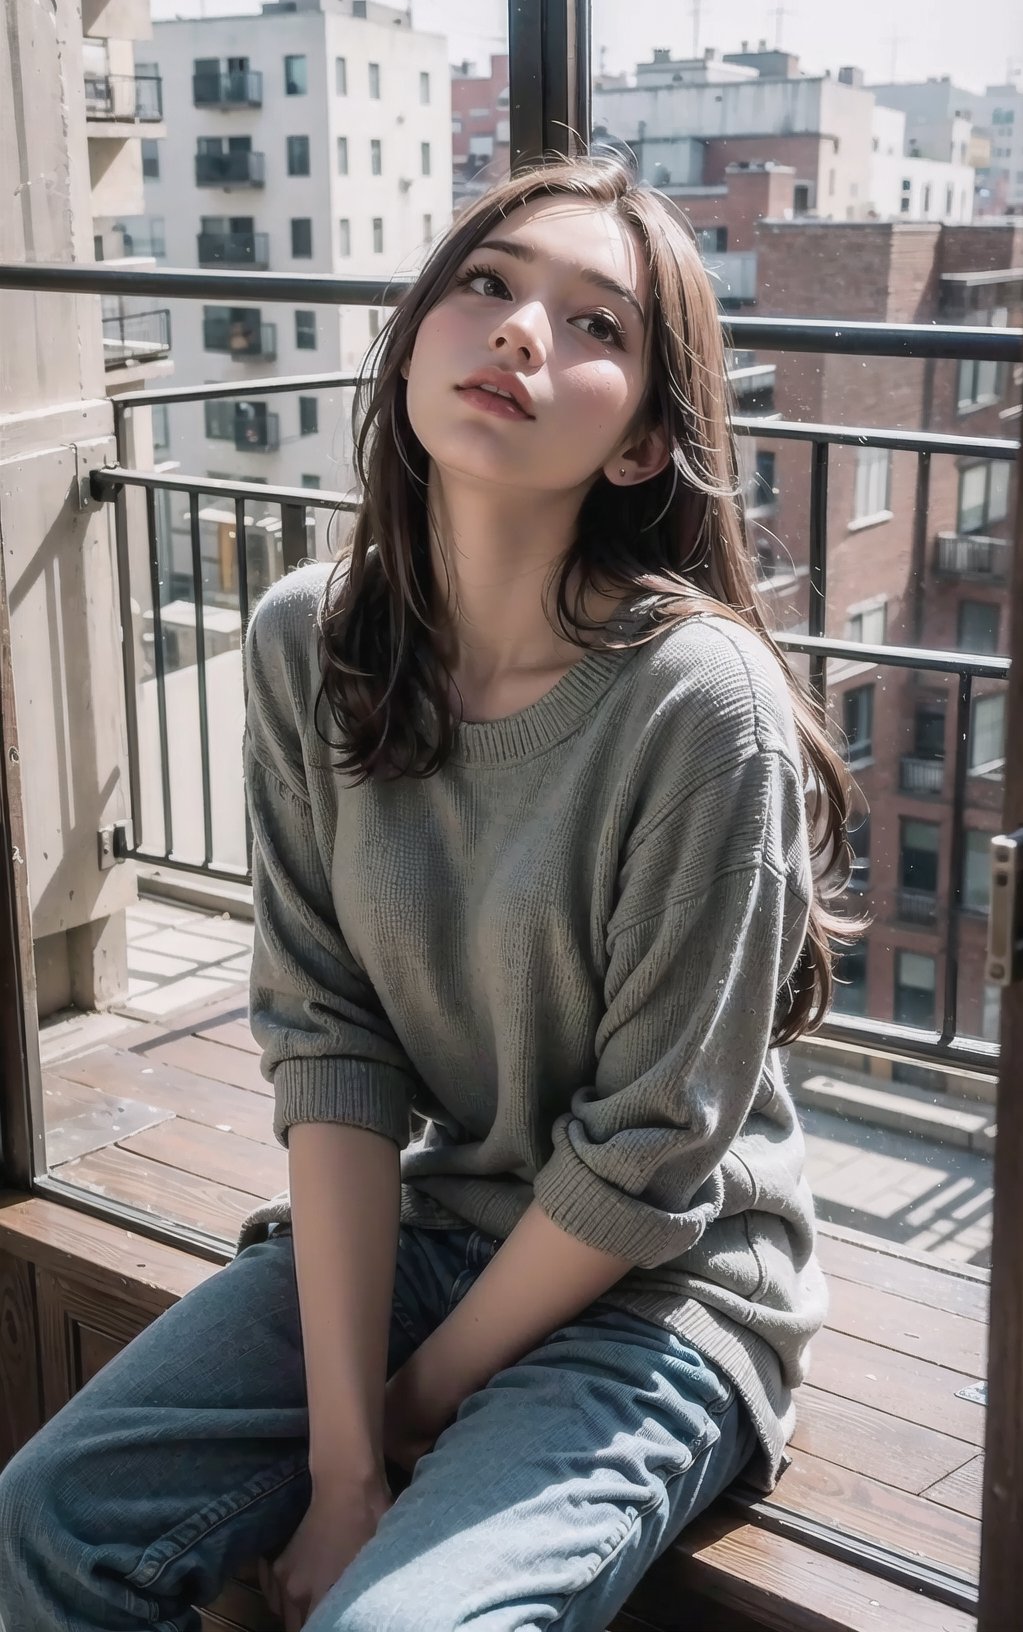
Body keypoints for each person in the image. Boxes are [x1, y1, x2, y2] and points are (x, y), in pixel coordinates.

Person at [0, 153, 855, 1632]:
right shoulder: (306, 644)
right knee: (46, 1524)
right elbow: (330, 1050)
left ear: (645, 444)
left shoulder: (697, 705)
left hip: (666, 1290)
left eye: (599, 325)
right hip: (446, 1221)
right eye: (489, 285)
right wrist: (341, 1467)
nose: (525, 331)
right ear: (416, 340)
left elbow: (653, 1153)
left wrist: (411, 1412)